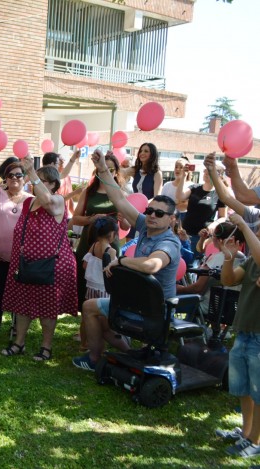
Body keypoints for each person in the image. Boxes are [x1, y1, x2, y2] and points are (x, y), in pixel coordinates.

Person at [73, 149, 180, 371]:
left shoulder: (169, 243)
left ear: (171, 219)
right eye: (150, 210)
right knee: (91, 308)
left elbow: (152, 265)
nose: (152, 215)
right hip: (133, 302)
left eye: (159, 214)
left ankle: (111, 357)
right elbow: (119, 199)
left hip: (154, 310)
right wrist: (103, 169)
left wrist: (120, 261)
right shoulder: (144, 225)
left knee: (95, 310)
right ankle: (99, 358)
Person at [0, 157, 78, 360]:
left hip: (52, 266)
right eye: (35, 180)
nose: (35, 184)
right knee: (23, 305)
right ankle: (19, 343)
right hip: (25, 264)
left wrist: (32, 173)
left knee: (48, 309)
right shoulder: (27, 202)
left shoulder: (58, 201)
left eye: (42, 181)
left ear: (53, 185)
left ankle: (46, 347)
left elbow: (50, 203)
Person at [71, 153, 129, 345]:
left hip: (111, 244)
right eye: (103, 168)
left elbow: (128, 226)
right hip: (88, 243)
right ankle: (86, 326)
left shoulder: (120, 193)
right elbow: (74, 219)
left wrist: (124, 221)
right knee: (85, 283)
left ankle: (105, 325)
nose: (106, 171)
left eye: (111, 169)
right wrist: (91, 219)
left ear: (116, 171)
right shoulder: (89, 192)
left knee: (108, 283)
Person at [217, 212, 260, 458]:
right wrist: (228, 258)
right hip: (243, 331)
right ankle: (246, 433)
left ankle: (255, 439)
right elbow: (228, 279)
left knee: (258, 390)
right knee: (243, 387)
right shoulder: (252, 262)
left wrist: (243, 224)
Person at [0, 154, 30, 333]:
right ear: (6, 178)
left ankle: (16, 322)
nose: (15, 179)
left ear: (24, 178)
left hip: (21, 254)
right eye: (11, 175)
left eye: (19, 175)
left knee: (19, 289)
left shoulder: (30, 199)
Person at [176, 160, 227, 258]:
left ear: (219, 176)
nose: (206, 173)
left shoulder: (219, 194)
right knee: (181, 261)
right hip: (185, 233)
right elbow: (180, 196)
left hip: (200, 237)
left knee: (194, 265)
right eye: (205, 170)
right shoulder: (195, 188)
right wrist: (183, 176)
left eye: (210, 171)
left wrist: (214, 224)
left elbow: (223, 217)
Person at [82, 216, 118, 299]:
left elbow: (84, 265)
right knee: (102, 310)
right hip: (104, 289)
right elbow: (111, 272)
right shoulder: (111, 251)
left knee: (91, 309)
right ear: (112, 234)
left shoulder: (94, 246)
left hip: (91, 286)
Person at [161, 158, 192, 222]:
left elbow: (186, 206)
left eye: (181, 167)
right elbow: (162, 203)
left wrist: (171, 204)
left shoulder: (191, 186)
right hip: (167, 217)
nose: (177, 169)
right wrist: (178, 203)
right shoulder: (167, 185)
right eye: (176, 167)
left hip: (184, 218)